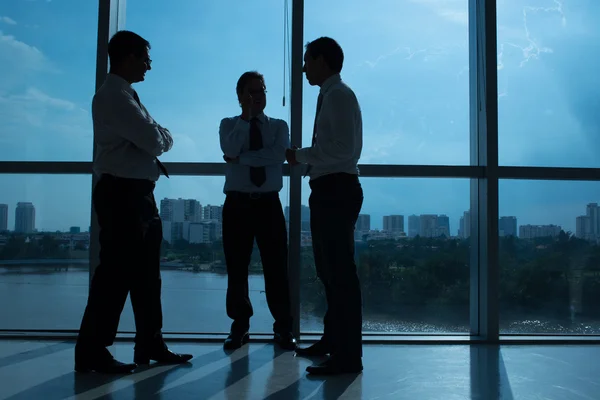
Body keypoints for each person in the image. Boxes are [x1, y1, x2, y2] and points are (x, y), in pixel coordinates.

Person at [75, 30, 192, 373]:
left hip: (137, 196)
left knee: (146, 276)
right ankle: (93, 351)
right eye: (145, 58)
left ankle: (150, 344)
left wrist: (156, 135)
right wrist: (159, 136)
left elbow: (152, 138)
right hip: (123, 196)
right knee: (114, 276)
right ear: (127, 58)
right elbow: (156, 140)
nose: (149, 66)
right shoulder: (114, 97)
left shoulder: (127, 95)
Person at [286, 37, 364, 375]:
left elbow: (343, 149)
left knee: (340, 276)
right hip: (328, 190)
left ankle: (347, 357)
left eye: (307, 60)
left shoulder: (339, 96)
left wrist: (300, 156)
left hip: (336, 191)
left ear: (322, 60)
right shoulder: (331, 96)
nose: (303, 67)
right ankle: (333, 342)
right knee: (330, 274)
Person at [219, 71, 297, 351]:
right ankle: (239, 326)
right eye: (251, 92)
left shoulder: (278, 126)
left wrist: (241, 159)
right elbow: (229, 147)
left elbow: (278, 155)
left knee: (276, 266)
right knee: (236, 267)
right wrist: (245, 119)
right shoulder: (228, 124)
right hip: (237, 203)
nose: (257, 96)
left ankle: (283, 327)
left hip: (268, 203)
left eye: (261, 91)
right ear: (239, 95)